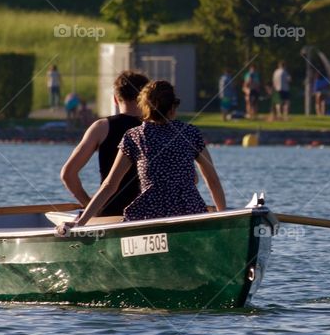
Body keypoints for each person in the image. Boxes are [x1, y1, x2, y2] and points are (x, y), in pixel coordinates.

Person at [58, 80, 226, 232]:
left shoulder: (135, 136)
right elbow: (212, 181)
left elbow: (110, 185)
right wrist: (224, 220)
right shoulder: (191, 133)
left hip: (148, 215)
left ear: (144, 107)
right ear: (173, 108)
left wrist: (81, 222)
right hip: (191, 212)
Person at [60, 71, 149, 217]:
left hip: (110, 211)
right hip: (149, 212)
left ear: (115, 99)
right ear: (146, 98)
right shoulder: (158, 128)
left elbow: (68, 174)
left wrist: (90, 206)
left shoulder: (101, 127)